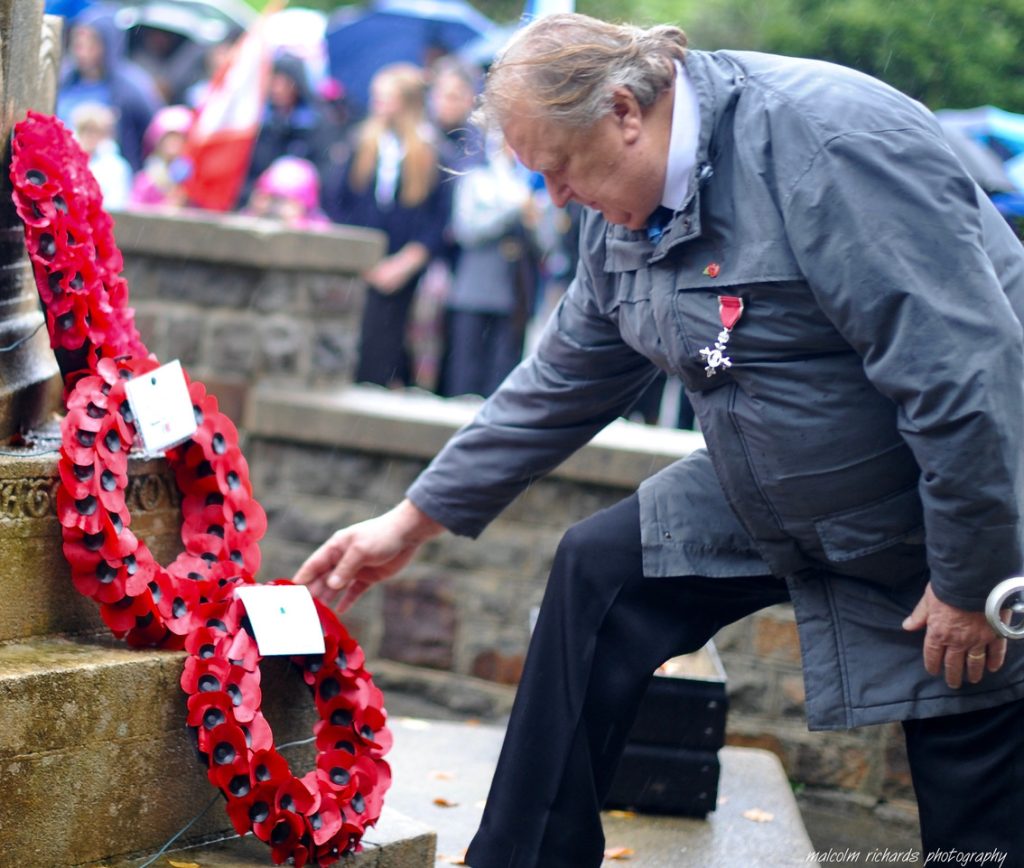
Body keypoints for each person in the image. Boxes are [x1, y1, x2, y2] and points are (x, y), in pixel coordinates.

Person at [296, 13, 1024, 868]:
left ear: (623, 111)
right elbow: (563, 377)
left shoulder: (826, 145)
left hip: (963, 487)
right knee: (601, 571)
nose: (555, 199)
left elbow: (966, 376)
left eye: (560, 169)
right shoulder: (617, 199)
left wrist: (974, 578)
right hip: (782, 473)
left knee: (970, 737)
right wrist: (410, 520)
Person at [322, 63, 451, 388]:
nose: (378, 103)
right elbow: (337, 200)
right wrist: (359, 257)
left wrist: (407, 262)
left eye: (386, 97)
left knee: (392, 344)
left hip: (405, 269)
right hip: (360, 264)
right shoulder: (360, 145)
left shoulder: (432, 152)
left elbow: (439, 218)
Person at [442, 134, 536, 398]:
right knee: (465, 375)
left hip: (513, 295)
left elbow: (544, 244)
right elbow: (467, 231)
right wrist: (512, 211)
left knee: (501, 377)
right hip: (473, 292)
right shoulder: (476, 179)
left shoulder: (526, 181)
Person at [57, 5, 163, 172]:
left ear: (108, 44)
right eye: (78, 41)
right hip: (61, 167)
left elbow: (156, 132)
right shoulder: (64, 79)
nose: (82, 50)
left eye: (91, 42)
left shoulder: (131, 88)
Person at [129, 104, 193, 209]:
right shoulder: (147, 179)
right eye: (169, 139)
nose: (173, 144)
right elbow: (135, 207)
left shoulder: (190, 176)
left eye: (178, 139)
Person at [71, 102, 133, 209]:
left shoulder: (116, 167)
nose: (90, 136)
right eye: (85, 130)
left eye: (96, 131)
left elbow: (116, 203)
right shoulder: (68, 160)